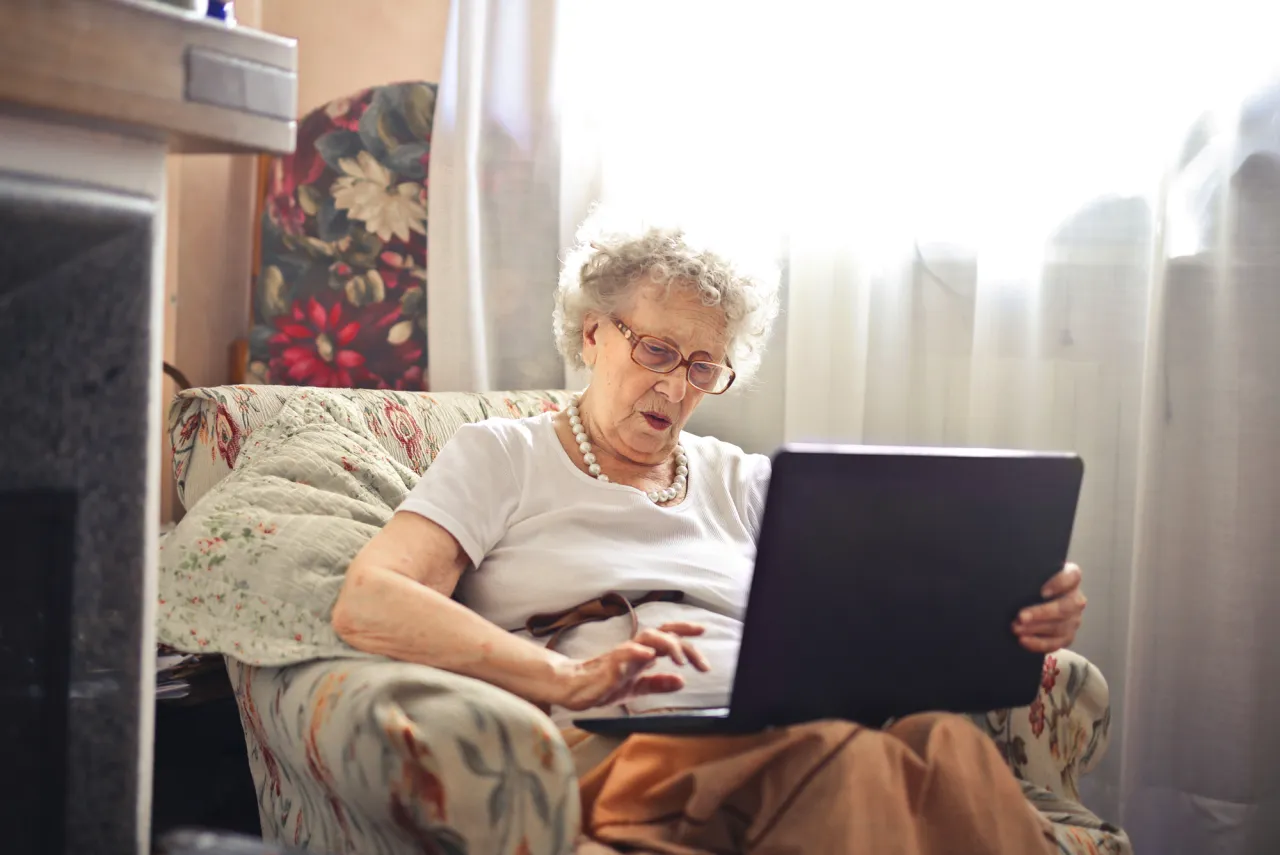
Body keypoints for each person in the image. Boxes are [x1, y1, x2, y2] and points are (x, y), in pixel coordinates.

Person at [331, 215, 1088, 853]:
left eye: (703, 366)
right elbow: (369, 600)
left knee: (947, 742)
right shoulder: (504, 454)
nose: (675, 385)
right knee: (846, 756)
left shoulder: (749, 482)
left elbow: (877, 623)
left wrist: (1015, 611)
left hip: (771, 725)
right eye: (656, 350)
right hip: (623, 739)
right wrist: (559, 679)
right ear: (593, 333)